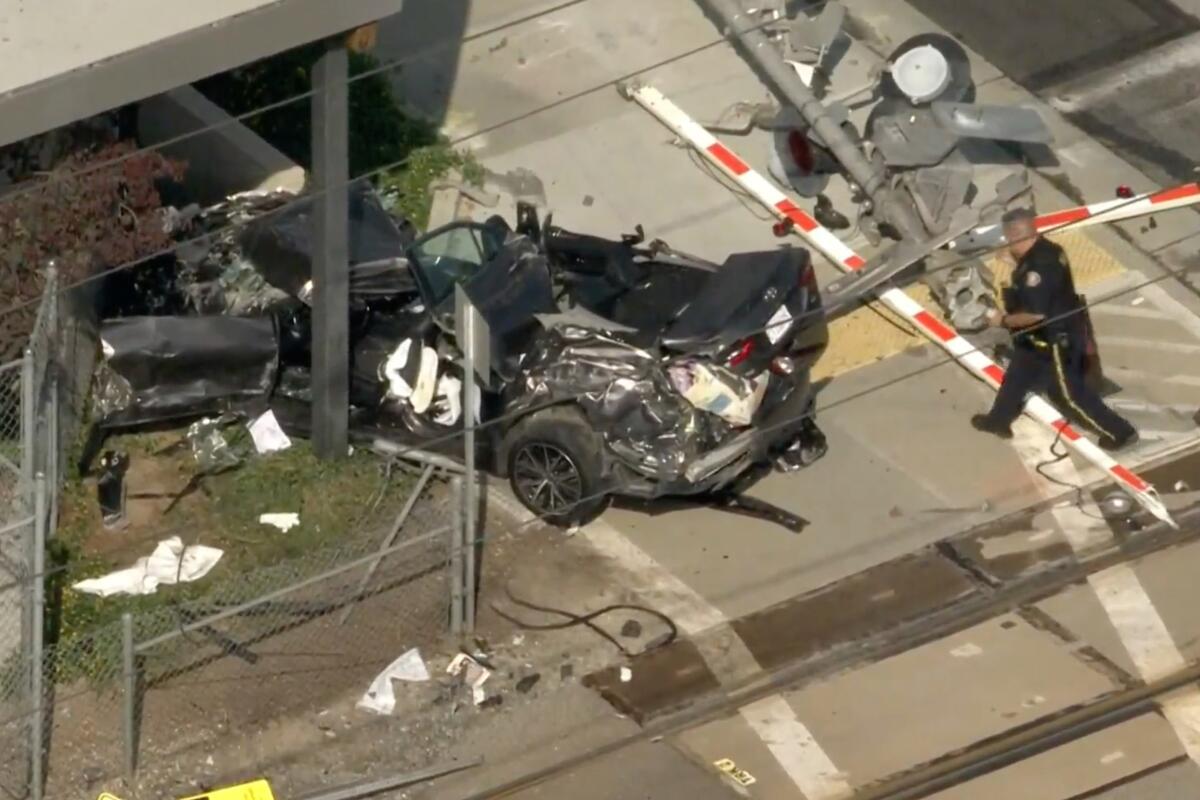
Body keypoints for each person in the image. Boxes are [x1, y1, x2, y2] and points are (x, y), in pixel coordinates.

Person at [970, 208, 1138, 451]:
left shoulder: (1037, 270)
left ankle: (1122, 432)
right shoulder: (1049, 250)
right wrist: (1014, 261)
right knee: (1017, 376)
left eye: (1007, 238)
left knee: (1069, 394)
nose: (1006, 244)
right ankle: (999, 420)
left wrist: (1002, 320)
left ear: (1016, 234)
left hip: (1055, 340)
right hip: (1039, 338)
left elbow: (1035, 314)